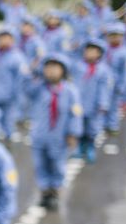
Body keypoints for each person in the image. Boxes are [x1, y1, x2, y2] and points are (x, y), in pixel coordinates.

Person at [24, 54, 83, 210]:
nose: (50, 71)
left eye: (55, 68)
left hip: (59, 137)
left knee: (57, 165)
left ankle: (55, 192)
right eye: (47, 67)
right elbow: (26, 88)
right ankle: (44, 192)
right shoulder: (39, 88)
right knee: (40, 165)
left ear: (63, 70)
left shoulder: (70, 91)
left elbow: (75, 113)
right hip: (39, 136)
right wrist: (33, 70)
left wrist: (73, 133)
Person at [0, 27, 29, 140]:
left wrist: (18, 97)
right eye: (0, 38)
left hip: (9, 96)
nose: (3, 41)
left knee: (8, 123)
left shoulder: (17, 57)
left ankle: (8, 144)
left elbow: (21, 79)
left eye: (6, 38)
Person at [71, 39, 112, 163]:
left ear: (99, 54)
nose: (89, 53)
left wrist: (103, 102)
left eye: (93, 51)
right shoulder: (78, 66)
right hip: (79, 103)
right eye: (87, 51)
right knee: (77, 126)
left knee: (92, 128)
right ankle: (78, 147)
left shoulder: (103, 70)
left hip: (94, 105)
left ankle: (89, 147)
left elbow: (104, 87)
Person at [104, 23, 126, 135]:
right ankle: (104, 123)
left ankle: (113, 125)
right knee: (104, 104)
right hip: (104, 82)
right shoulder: (105, 48)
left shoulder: (124, 53)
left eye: (118, 36)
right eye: (112, 35)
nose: (115, 38)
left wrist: (122, 86)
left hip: (116, 82)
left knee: (114, 105)